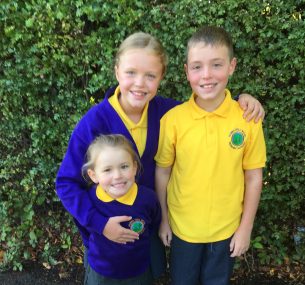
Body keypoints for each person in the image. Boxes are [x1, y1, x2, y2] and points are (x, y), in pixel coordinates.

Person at [55, 31, 265, 280]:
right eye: (131, 72)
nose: (140, 83)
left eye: (150, 76)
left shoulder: (167, 112)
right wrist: (99, 225)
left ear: (161, 77)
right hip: (106, 243)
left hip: (147, 234)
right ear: (116, 71)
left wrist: (242, 101)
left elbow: (207, 105)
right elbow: (66, 183)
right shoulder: (94, 122)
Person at [155, 26, 267, 285]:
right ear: (186, 71)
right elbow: (162, 172)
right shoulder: (173, 120)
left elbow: (253, 178)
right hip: (183, 230)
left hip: (226, 231)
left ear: (232, 66)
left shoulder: (248, 118)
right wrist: (164, 220)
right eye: (197, 67)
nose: (206, 75)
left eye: (216, 65)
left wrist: (245, 228)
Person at [82, 134, 160, 284]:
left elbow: (153, 224)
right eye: (107, 170)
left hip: (138, 271)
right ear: (93, 175)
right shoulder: (89, 200)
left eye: (124, 167)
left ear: (135, 167)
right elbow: (84, 227)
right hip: (101, 273)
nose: (117, 176)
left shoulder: (148, 198)